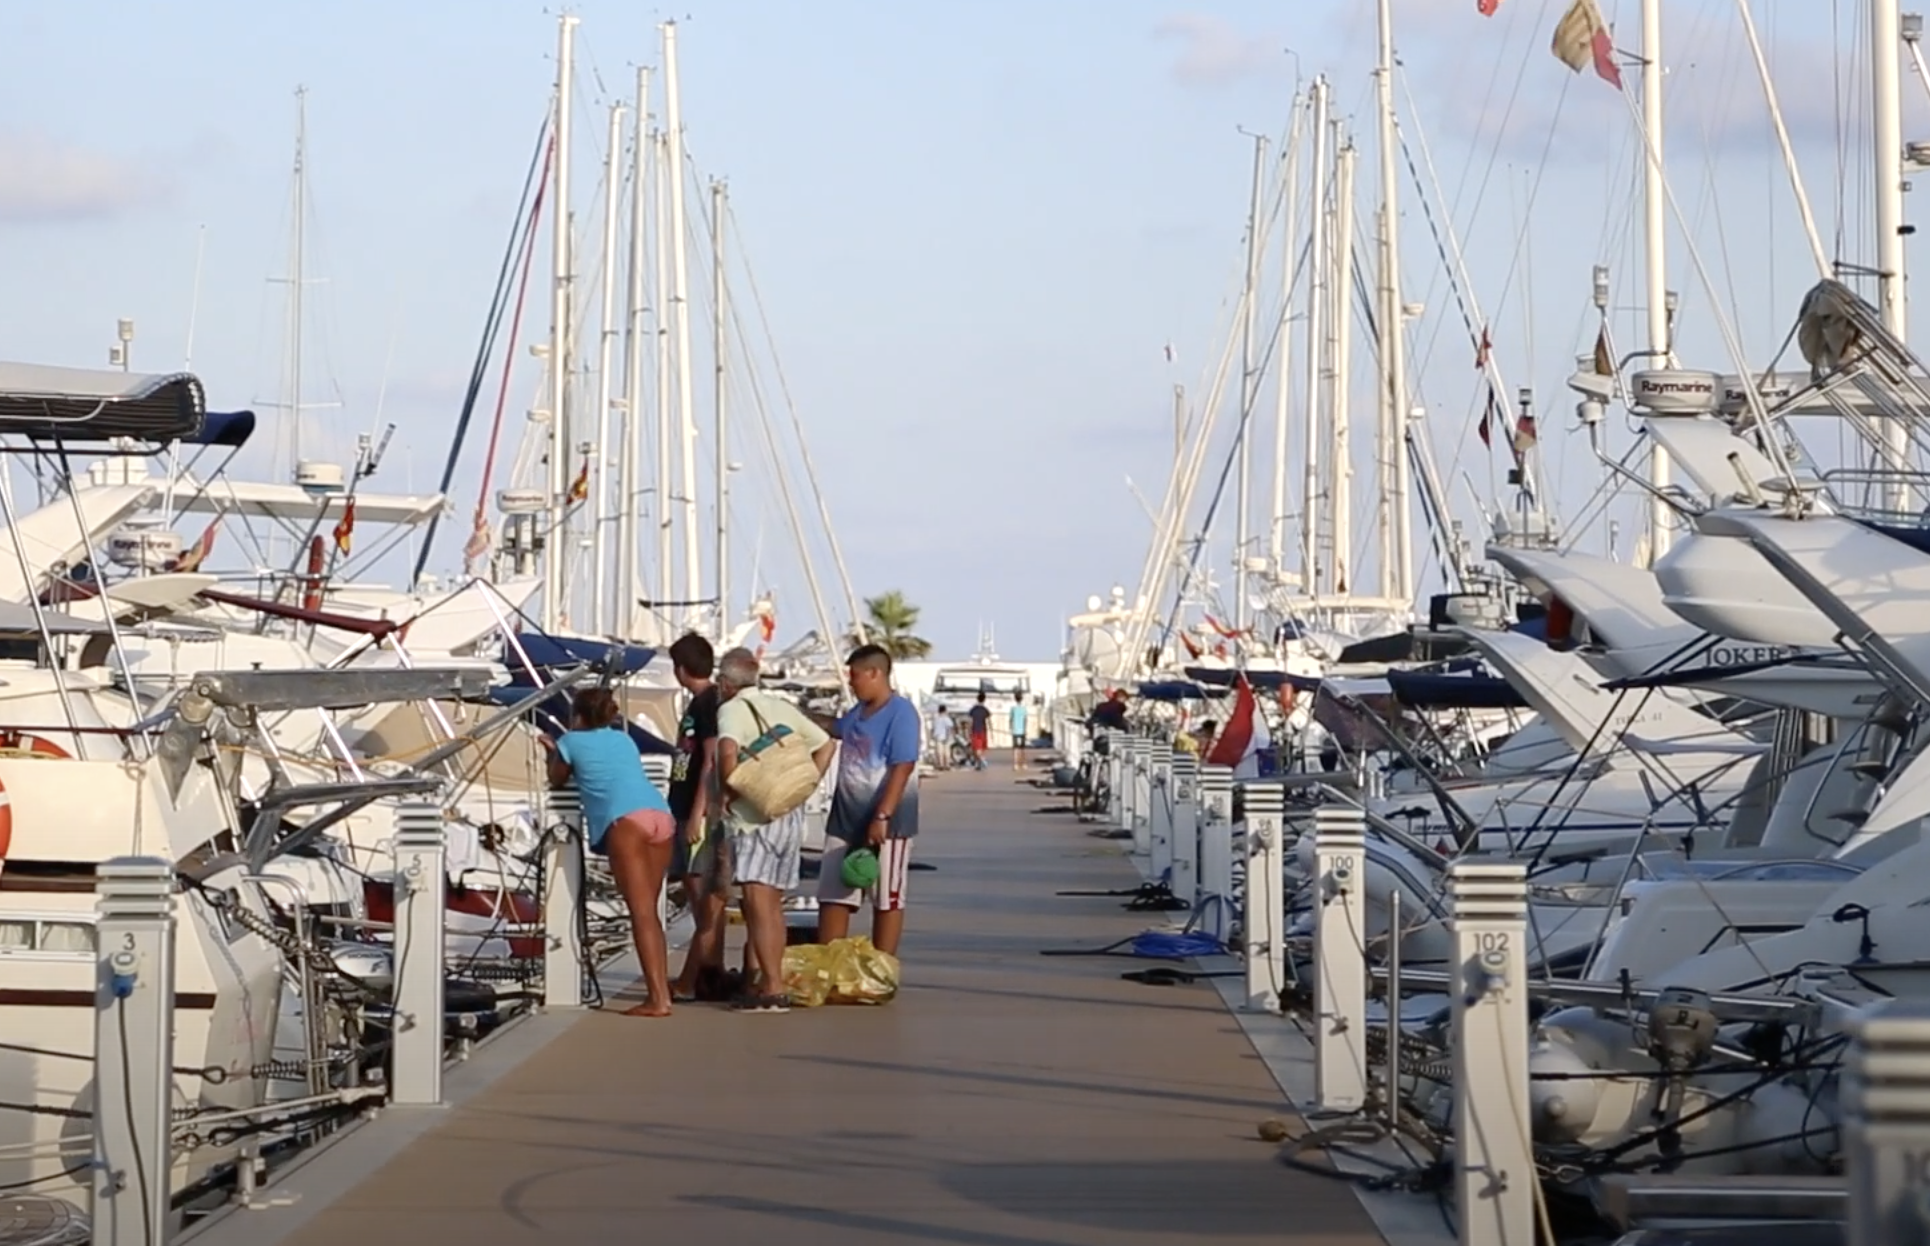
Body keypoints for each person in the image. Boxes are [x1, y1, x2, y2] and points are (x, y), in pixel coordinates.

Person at [713, 647, 836, 1013]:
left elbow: (727, 751)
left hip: (755, 819)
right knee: (774, 906)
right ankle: (771, 981)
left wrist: (729, 791)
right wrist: (808, 785)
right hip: (789, 813)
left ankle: (771, 988)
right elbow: (826, 744)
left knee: (758, 903)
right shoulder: (780, 705)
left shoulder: (731, 710)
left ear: (725, 683)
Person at [543, 688, 677, 1017]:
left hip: (626, 819)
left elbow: (557, 779)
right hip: (659, 814)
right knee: (650, 913)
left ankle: (658, 1000)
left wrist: (551, 750)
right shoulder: (624, 740)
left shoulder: (570, 741)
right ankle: (662, 993)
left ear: (578, 716)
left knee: (640, 913)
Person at [816, 644, 921, 957]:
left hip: (887, 822)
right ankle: (829, 962)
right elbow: (836, 728)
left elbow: (903, 765)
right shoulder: (858, 713)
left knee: (886, 898)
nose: (851, 682)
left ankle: (882, 967)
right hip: (844, 820)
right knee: (833, 896)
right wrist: (799, 715)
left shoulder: (901, 713)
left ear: (875, 674)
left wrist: (882, 816)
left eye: (855, 675)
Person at [665, 632, 731, 1001]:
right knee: (702, 899)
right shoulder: (700, 703)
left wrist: (696, 814)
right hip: (684, 805)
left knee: (703, 900)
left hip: (697, 811)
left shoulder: (707, 705)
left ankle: (691, 979)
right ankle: (711, 970)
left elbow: (709, 760)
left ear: (680, 669)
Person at [966, 692, 991, 771]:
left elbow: (970, 720)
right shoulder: (985, 710)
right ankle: (979, 763)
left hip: (975, 730)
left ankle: (981, 761)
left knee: (976, 748)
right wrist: (991, 730)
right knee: (981, 748)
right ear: (984, 700)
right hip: (983, 730)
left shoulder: (973, 709)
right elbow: (988, 720)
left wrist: (969, 730)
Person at [929, 704, 955, 770]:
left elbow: (933, 729)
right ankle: (947, 765)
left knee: (939, 751)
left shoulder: (936, 719)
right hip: (946, 736)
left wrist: (932, 736)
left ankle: (941, 764)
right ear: (945, 710)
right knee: (946, 751)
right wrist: (950, 736)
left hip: (938, 736)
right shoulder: (947, 719)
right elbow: (950, 728)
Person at [1009, 696, 1030, 770]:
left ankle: (1015, 765)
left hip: (1015, 730)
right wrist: (1025, 729)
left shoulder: (1013, 709)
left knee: (1015, 748)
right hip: (1022, 731)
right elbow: (1025, 720)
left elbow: (1011, 720)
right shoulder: (1024, 709)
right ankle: (1023, 764)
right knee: (1022, 748)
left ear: (1015, 699)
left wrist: (1011, 728)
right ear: (1021, 699)